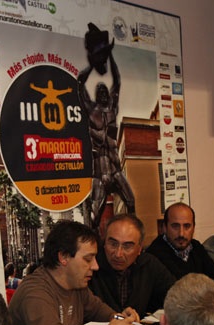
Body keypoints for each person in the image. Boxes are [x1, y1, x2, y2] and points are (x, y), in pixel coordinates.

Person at [9, 220, 139, 325]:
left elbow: (98, 310)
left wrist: (120, 319)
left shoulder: (77, 286)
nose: (95, 266)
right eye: (88, 259)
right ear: (64, 257)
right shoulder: (35, 291)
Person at [77, 23, 135, 229]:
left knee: (131, 201)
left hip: (115, 167)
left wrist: (109, 54)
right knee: (96, 214)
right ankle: (94, 241)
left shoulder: (112, 109)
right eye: (99, 91)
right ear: (96, 95)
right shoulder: (91, 111)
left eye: (104, 91)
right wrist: (93, 64)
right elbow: (79, 83)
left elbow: (117, 80)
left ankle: (133, 233)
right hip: (99, 170)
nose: (103, 92)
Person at [89, 214, 175, 317]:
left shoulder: (148, 264)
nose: (118, 254)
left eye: (127, 246)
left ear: (139, 249)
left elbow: (177, 296)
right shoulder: (91, 266)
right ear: (104, 243)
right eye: (113, 244)